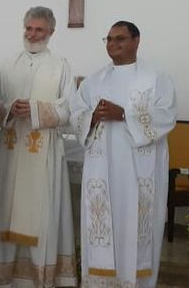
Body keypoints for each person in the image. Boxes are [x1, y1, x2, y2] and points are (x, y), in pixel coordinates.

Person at [69, 21, 177, 287]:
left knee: (136, 228)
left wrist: (124, 114)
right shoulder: (93, 81)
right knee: (103, 226)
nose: (112, 44)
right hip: (101, 171)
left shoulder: (155, 77)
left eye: (120, 39)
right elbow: (76, 114)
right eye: (108, 39)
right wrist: (91, 116)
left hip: (140, 170)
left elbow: (167, 115)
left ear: (136, 41)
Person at [0, 6, 78, 287]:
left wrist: (35, 110)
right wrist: (10, 108)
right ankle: (3, 279)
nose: (32, 34)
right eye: (29, 28)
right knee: (3, 210)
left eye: (39, 29)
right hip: (10, 149)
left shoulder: (60, 65)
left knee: (43, 212)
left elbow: (69, 110)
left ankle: (40, 278)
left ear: (51, 32)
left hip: (43, 148)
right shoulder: (7, 63)